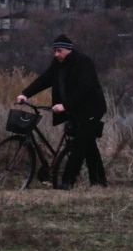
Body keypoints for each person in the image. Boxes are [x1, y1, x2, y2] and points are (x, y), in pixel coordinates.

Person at [15, 34, 108, 189]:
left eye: (59, 51)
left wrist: (65, 105)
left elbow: (84, 88)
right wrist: (25, 93)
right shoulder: (58, 63)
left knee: (79, 143)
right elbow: (45, 79)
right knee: (88, 143)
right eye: (54, 51)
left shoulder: (83, 62)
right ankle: (99, 181)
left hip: (92, 108)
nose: (56, 54)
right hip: (75, 108)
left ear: (69, 50)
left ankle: (67, 182)